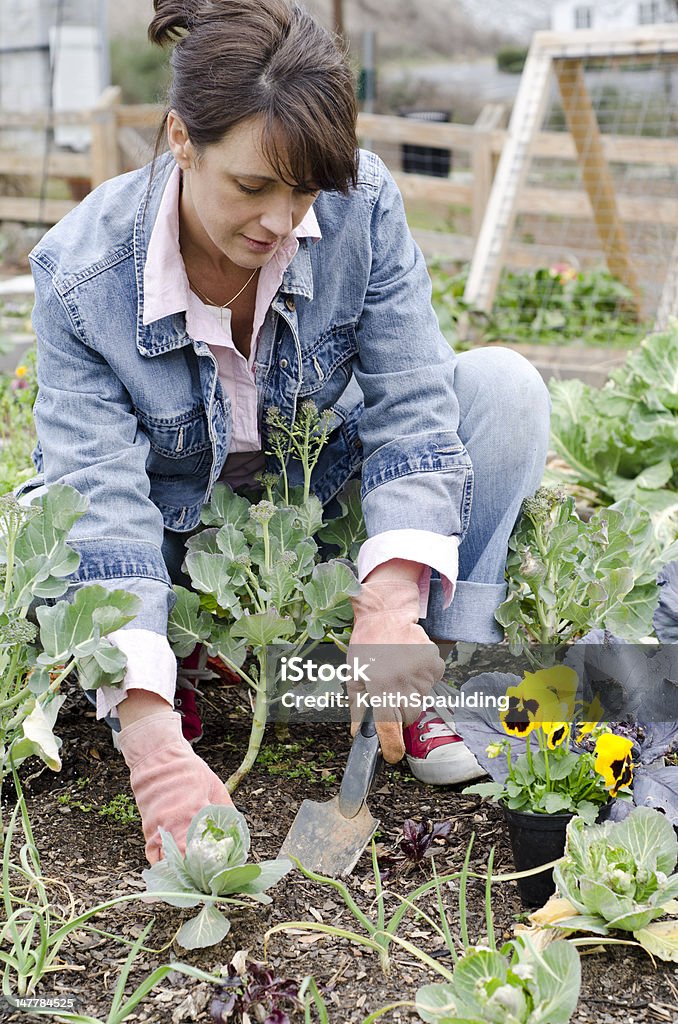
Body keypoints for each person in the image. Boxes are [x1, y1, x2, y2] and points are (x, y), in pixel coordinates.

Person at [18, 0, 550, 865]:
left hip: (306, 506)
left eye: (303, 190)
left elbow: (414, 401)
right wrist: (148, 750)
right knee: (48, 552)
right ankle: (169, 674)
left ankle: (426, 680)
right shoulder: (83, 278)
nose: (281, 222)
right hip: (171, 531)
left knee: (503, 390)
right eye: (254, 186)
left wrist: (389, 597)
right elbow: (96, 498)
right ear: (183, 138)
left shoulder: (361, 205)